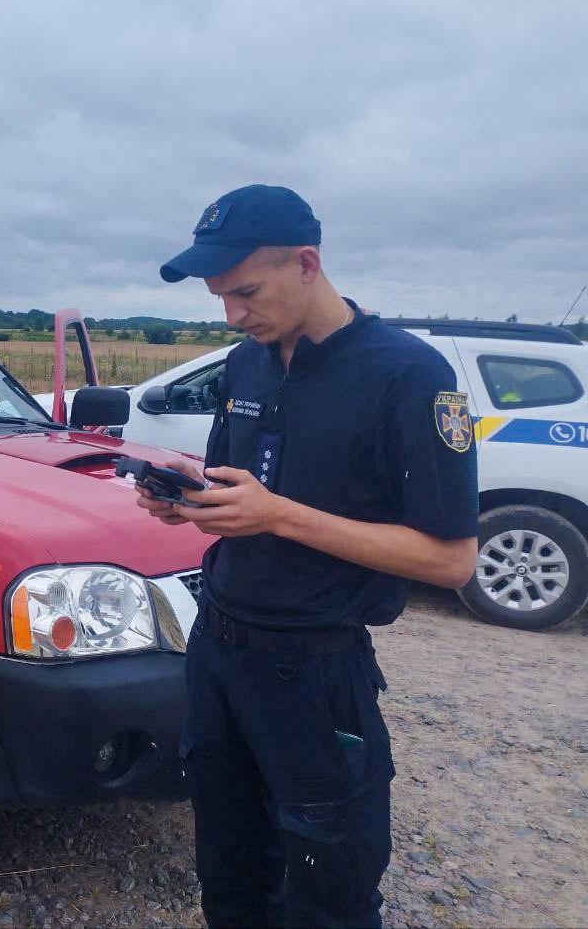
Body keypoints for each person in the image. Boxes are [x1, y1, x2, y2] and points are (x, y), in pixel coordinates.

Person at [142, 184, 479, 927]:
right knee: (230, 876)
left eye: (246, 293)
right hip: (217, 652)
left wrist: (281, 516)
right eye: (219, 298)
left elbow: (452, 560)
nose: (233, 316)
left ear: (306, 263)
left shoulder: (409, 374)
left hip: (315, 671)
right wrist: (192, 500)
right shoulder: (247, 363)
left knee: (331, 892)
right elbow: (242, 491)